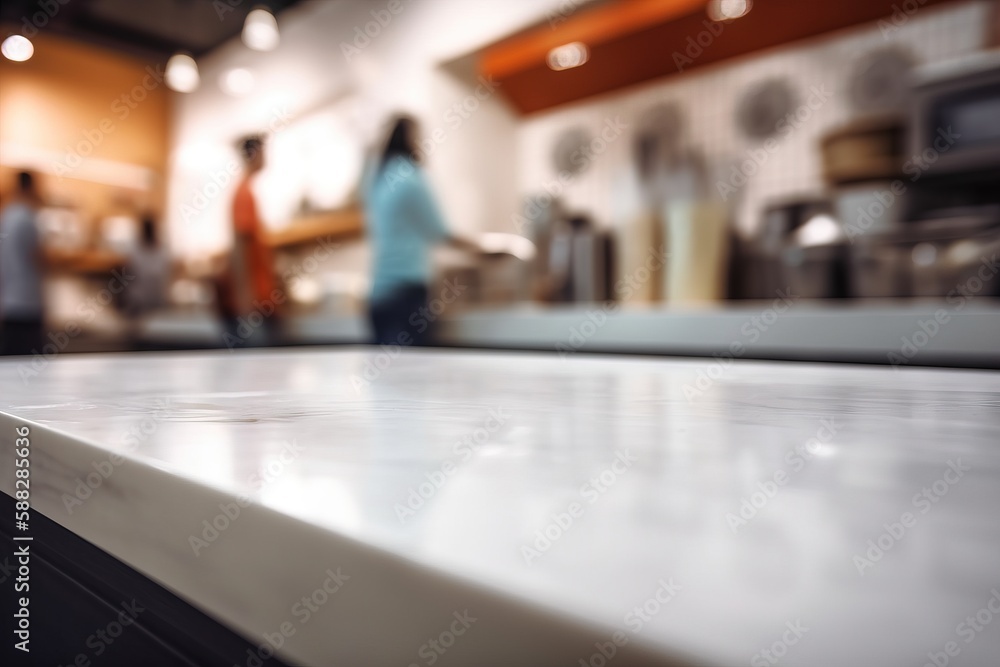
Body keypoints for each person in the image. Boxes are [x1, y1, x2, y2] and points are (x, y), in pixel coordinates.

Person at [363, 116, 479, 345]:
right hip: (406, 294)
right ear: (410, 138)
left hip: (378, 295)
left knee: (385, 375)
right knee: (411, 374)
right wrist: (480, 247)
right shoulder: (411, 177)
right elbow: (439, 232)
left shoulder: (377, 180)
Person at [220, 135, 281, 349]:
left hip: (257, 296)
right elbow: (240, 246)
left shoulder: (246, 192)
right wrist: (244, 295)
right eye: (264, 152)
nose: (267, 158)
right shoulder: (244, 194)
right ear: (255, 155)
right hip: (253, 299)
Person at [0, 171, 45, 356]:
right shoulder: (27, 218)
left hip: (9, 299)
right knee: (29, 358)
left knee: (11, 359)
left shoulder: (6, 216)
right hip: (27, 300)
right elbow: (37, 257)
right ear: (30, 187)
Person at [122, 215, 171, 348]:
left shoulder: (163, 249)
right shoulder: (134, 248)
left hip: (157, 302)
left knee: (155, 336)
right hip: (138, 304)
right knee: (139, 336)